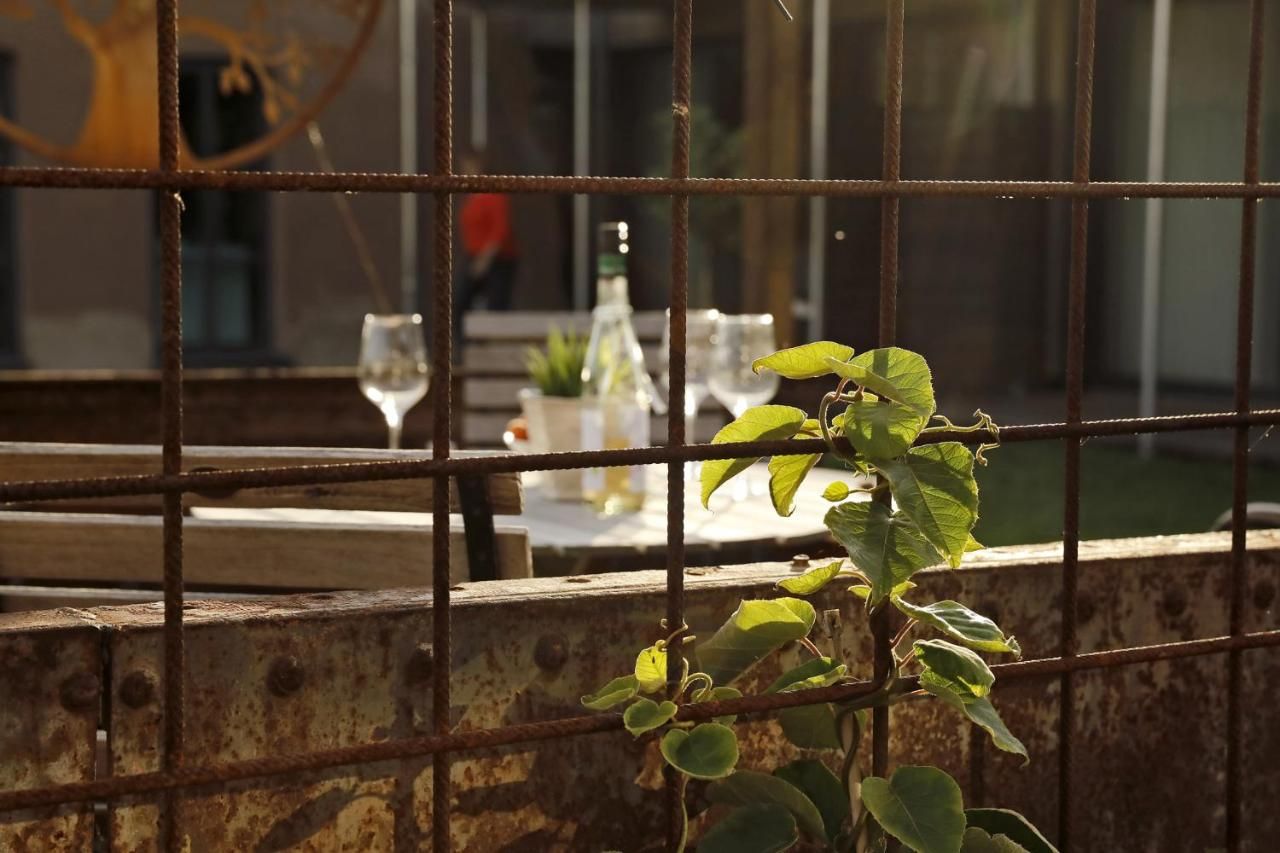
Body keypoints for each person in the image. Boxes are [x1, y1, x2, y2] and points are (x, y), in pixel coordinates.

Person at [458, 150, 518, 314]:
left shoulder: (493, 194)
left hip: (497, 259)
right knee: (460, 301)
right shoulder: (472, 196)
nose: (465, 171)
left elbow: (500, 229)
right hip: (474, 256)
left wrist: (485, 258)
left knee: (496, 306)